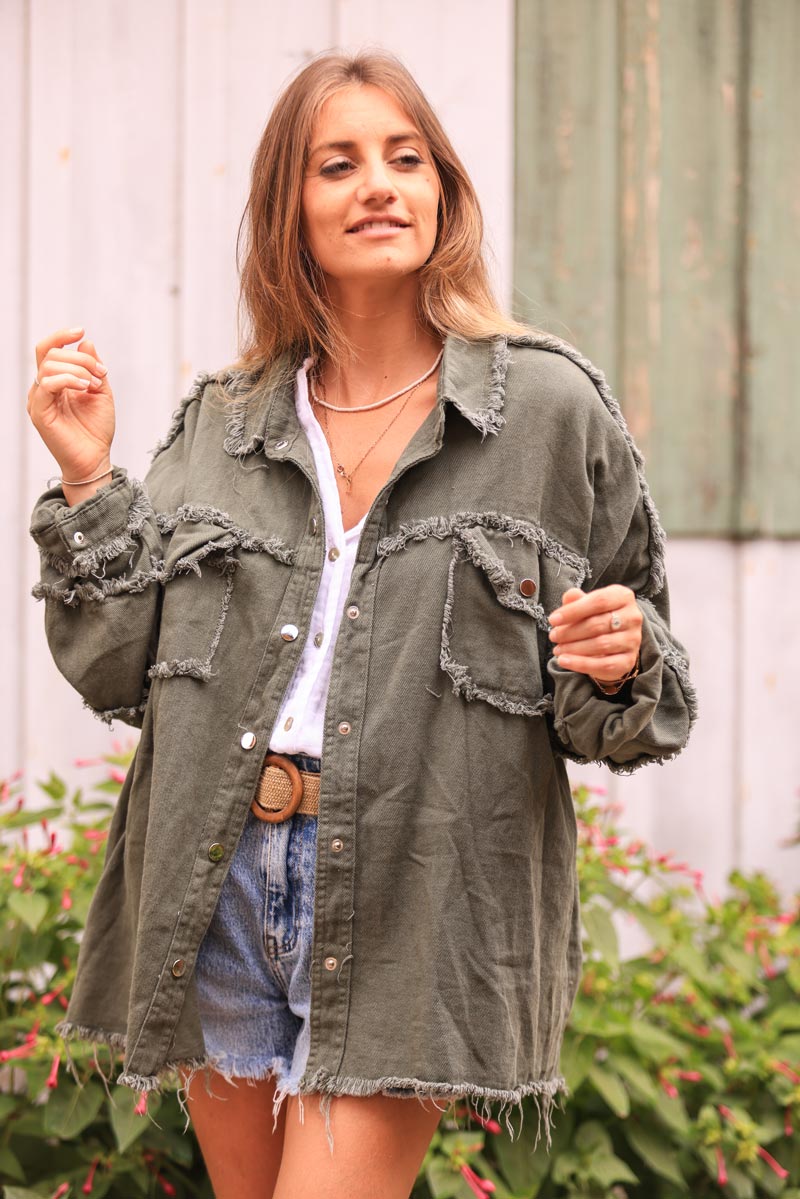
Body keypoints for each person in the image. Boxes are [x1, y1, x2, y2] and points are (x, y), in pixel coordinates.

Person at [26, 48, 697, 1199]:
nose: (377, 184)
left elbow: (635, 700)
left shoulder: (543, 409)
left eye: (404, 158)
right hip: (219, 877)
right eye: (337, 164)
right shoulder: (222, 424)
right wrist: (90, 482)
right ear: (291, 205)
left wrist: (623, 654)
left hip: (417, 887)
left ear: (442, 190)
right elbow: (121, 664)